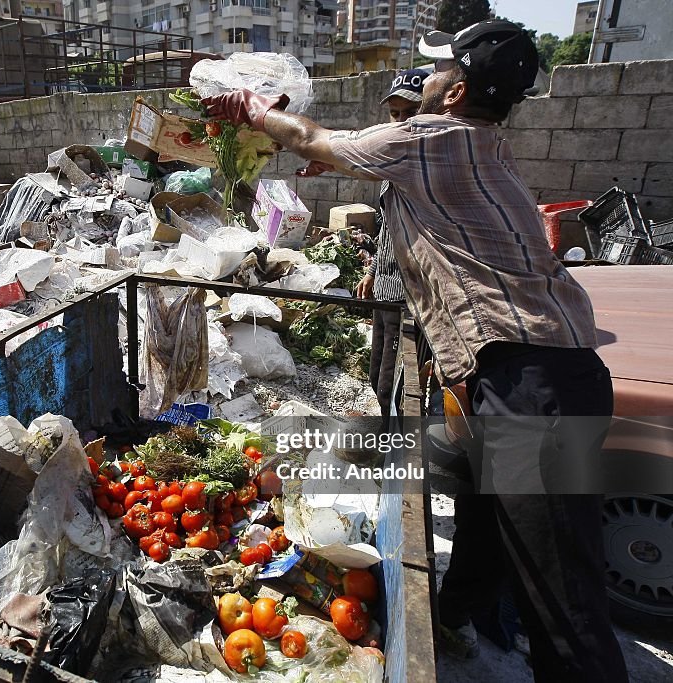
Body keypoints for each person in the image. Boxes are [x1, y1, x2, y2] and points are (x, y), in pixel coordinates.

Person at [202, 20, 627, 682]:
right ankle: (452, 618)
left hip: (533, 390)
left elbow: (316, 136)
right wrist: (340, 156)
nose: (425, 78)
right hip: (538, 377)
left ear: (455, 91)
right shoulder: (481, 144)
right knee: (479, 512)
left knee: (565, 612)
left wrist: (252, 109)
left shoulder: (433, 137)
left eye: (436, 70)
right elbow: (401, 186)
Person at [360, 69, 426, 429]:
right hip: (385, 291)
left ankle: (395, 447)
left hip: (410, 298)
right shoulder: (393, 165)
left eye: (409, 113)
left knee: (397, 383)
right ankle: (388, 432)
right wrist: (371, 271)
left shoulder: (427, 168)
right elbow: (386, 225)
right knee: (376, 375)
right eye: (395, 114)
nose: (401, 122)